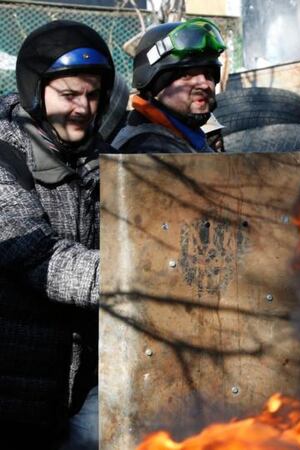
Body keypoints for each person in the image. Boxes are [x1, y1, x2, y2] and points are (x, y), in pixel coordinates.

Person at [0, 20, 114, 448]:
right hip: (13, 391)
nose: (83, 107)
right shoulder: (4, 155)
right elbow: (40, 259)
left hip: (77, 384)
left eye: (92, 95)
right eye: (69, 94)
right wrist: (150, 275)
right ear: (35, 92)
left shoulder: (103, 160)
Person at [112, 18, 226, 154]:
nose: (204, 84)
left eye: (209, 74)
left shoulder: (186, 136)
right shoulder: (147, 149)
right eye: (187, 76)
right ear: (155, 84)